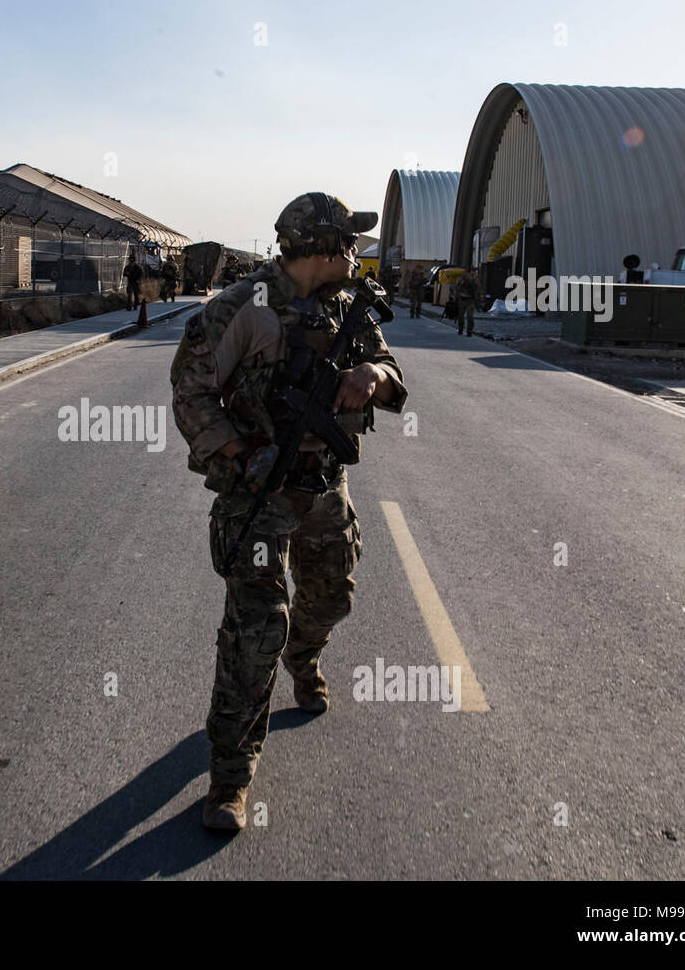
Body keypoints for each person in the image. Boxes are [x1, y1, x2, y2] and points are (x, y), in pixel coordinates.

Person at [170, 192, 408, 832]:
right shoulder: (242, 307)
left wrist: (371, 378)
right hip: (259, 492)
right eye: (348, 242)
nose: (356, 253)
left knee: (332, 594)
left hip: (324, 483)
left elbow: (391, 371)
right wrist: (239, 451)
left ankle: (304, 658)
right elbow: (190, 391)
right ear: (321, 248)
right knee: (254, 629)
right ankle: (231, 776)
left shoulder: (347, 307)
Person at [454, 267, 481, 337]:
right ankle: (460, 329)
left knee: (470, 317)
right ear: (470, 271)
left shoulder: (475, 280)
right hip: (462, 299)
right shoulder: (463, 279)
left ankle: (469, 331)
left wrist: (478, 300)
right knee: (461, 316)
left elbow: (478, 290)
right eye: (473, 271)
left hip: (470, 300)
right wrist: (456, 297)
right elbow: (457, 288)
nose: (474, 273)